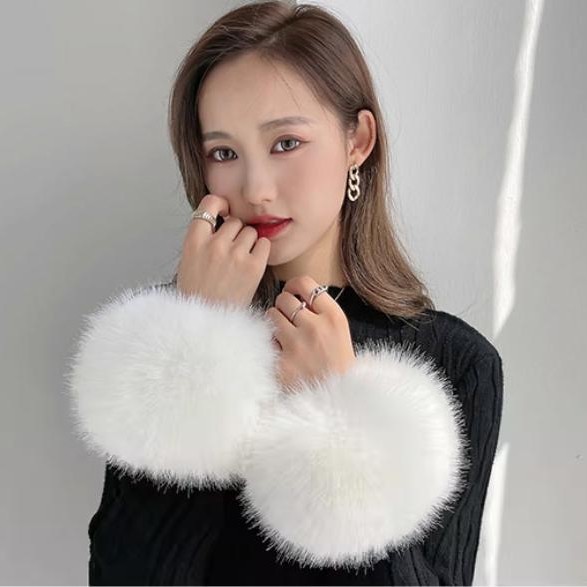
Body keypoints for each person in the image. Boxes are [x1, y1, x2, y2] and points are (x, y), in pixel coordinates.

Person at [65, 1, 504, 584]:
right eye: (224, 153)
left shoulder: (458, 364)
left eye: (286, 143)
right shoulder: (161, 346)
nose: (257, 188)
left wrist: (340, 413)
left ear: (358, 141)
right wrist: (197, 339)